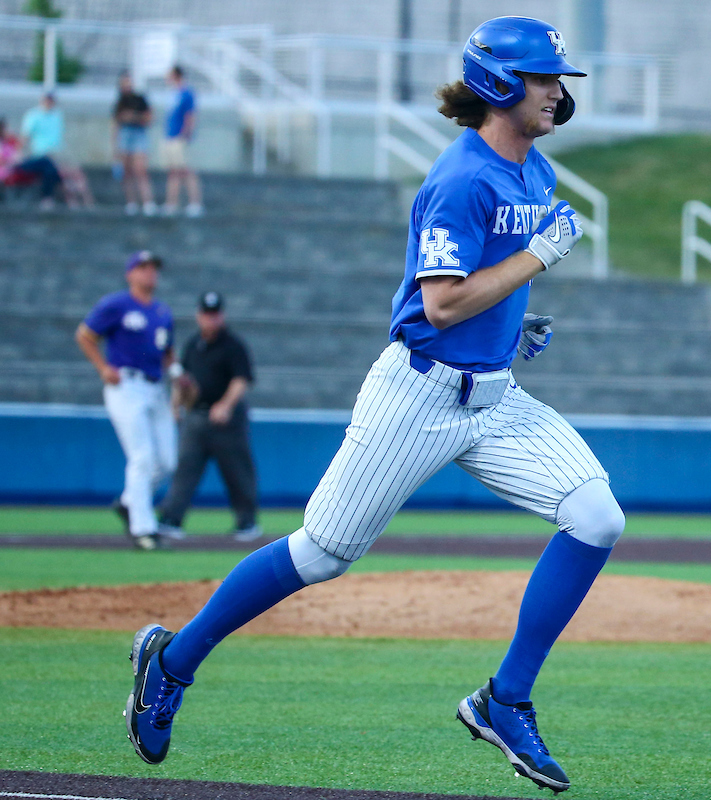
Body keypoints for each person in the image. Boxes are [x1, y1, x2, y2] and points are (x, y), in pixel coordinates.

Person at [124, 17, 622, 795]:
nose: (558, 90)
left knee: (597, 517)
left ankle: (505, 699)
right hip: (420, 392)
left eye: (560, 78)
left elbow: (481, 293)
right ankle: (172, 660)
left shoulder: (536, 174)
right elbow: (444, 305)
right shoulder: (461, 177)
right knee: (321, 554)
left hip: (494, 396)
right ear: (500, 86)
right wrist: (536, 259)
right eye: (544, 77)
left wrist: (513, 321)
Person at [76, 251, 179, 551]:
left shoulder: (162, 312)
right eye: (143, 268)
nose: (150, 274)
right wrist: (103, 368)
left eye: (153, 269)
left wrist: (177, 374)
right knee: (142, 457)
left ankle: (128, 502)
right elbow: (85, 335)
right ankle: (143, 530)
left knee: (167, 461)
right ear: (130, 274)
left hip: (155, 386)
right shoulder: (116, 304)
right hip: (126, 385)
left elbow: (167, 352)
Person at [157, 292, 261, 544]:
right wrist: (175, 404)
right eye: (206, 314)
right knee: (185, 469)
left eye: (215, 315)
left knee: (237, 472)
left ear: (221, 316)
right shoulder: (194, 344)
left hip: (226, 420)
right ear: (198, 315)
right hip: (197, 416)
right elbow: (183, 379)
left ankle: (246, 523)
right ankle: (171, 519)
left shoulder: (232, 345)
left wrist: (225, 405)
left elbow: (241, 379)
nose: (210, 320)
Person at [112, 70, 156, 215]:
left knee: (140, 170)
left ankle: (148, 202)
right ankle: (131, 202)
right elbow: (116, 123)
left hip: (138, 134)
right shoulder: (119, 101)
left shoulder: (140, 99)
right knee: (127, 172)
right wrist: (115, 146)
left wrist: (134, 117)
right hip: (125, 135)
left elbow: (149, 118)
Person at [162, 65, 203, 217]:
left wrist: (185, 134)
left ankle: (195, 203)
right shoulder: (174, 94)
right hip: (171, 136)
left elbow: (190, 115)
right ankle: (171, 203)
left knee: (186, 170)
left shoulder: (187, 93)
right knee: (173, 171)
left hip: (179, 137)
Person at [17, 92, 63, 210]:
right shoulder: (33, 115)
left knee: (50, 167)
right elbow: (25, 137)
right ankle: (47, 198)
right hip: (36, 156)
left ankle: (48, 199)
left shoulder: (57, 116)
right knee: (48, 165)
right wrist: (19, 154)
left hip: (52, 157)